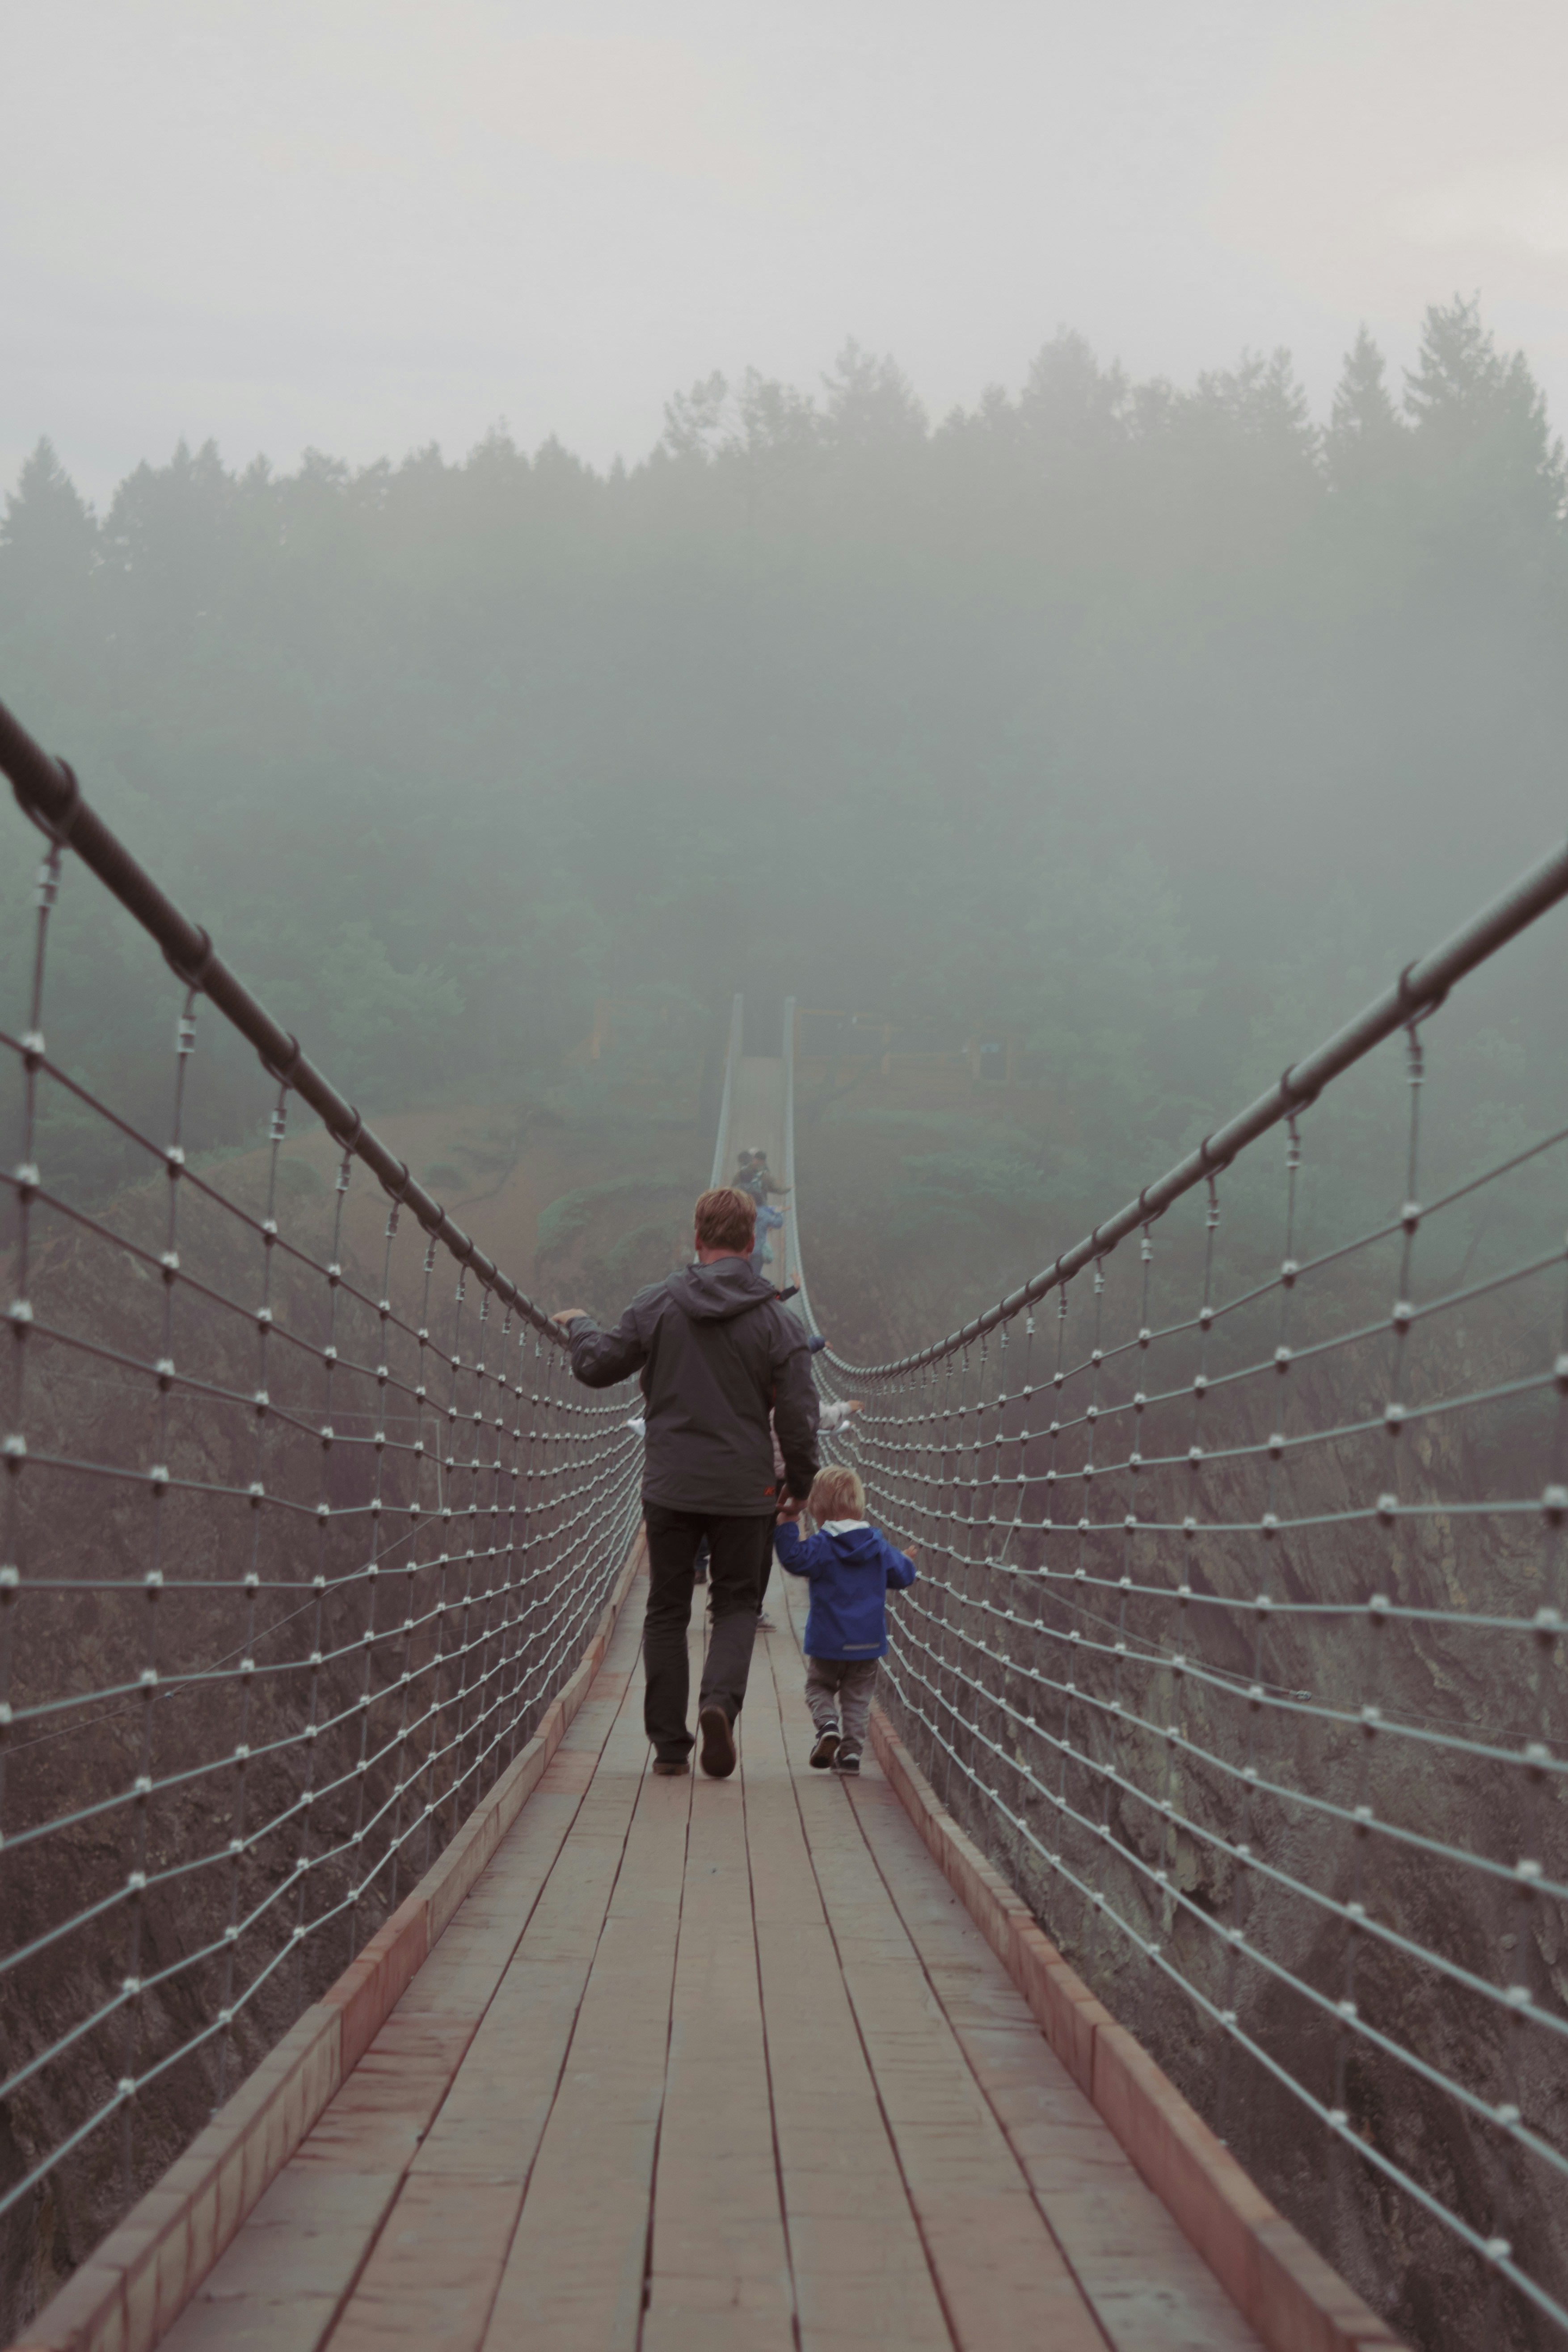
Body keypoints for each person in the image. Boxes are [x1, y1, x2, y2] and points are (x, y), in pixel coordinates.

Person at [554, 1186, 818, 1779]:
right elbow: (799, 1416)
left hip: (671, 1484)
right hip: (746, 1489)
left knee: (667, 1609)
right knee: (736, 1604)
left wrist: (581, 1326)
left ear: (697, 1239)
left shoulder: (657, 1303)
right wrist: (799, 1484)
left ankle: (670, 1746)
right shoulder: (779, 1320)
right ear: (753, 1245)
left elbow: (598, 1366)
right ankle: (718, 1705)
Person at [775, 1463, 916, 1777]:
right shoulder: (878, 1546)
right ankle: (851, 1756)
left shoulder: (823, 1546)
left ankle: (827, 1725)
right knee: (858, 1700)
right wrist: (906, 1561)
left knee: (818, 1687)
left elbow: (792, 1559)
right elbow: (902, 1576)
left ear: (818, 1510)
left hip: (828, 1641)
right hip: (867, 1643)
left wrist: (787, 1522)